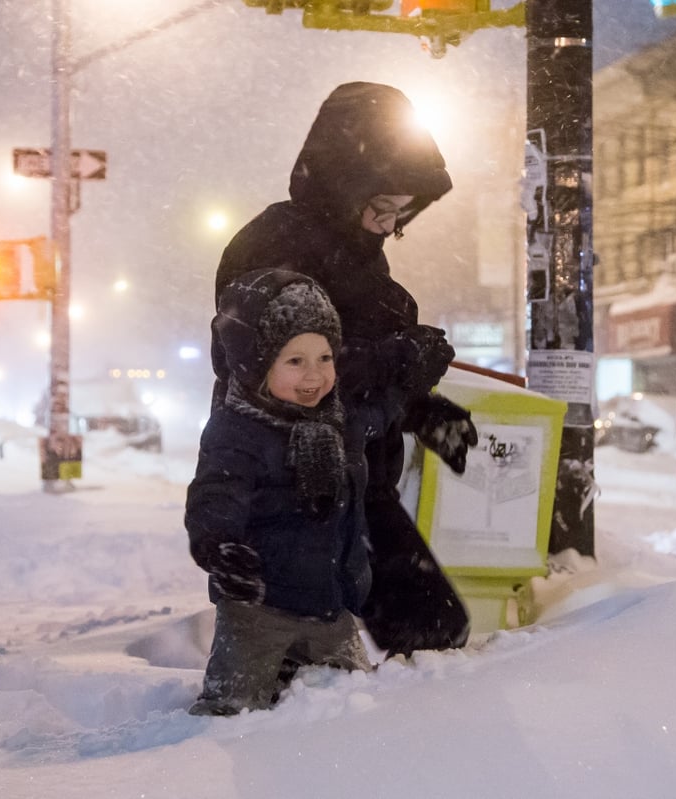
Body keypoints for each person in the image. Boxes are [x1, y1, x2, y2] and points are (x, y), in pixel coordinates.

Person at [212, 82, 475, 658]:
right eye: (381, 207)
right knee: (415, 633)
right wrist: (399, 358)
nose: (387, 226)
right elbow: (272, 364)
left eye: (401, 215)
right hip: (294, 482)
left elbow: (351, 365)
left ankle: (360, 734)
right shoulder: (276, 243)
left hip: (351, 476)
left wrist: (420, 408)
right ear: (343, 180)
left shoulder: (358, 254)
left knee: (416, 633)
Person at [186, 270, 374, 716]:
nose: (315, 376)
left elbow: (382, 411)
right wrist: (220, 549)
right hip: (258, 609)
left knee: (356, 704)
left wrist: (415, 383)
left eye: (325, 357)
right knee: (234, 709)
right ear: (256, 364)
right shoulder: (237, 432)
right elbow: (214, 497)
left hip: (330, 603)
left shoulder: (336, 420)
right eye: (294, 362)